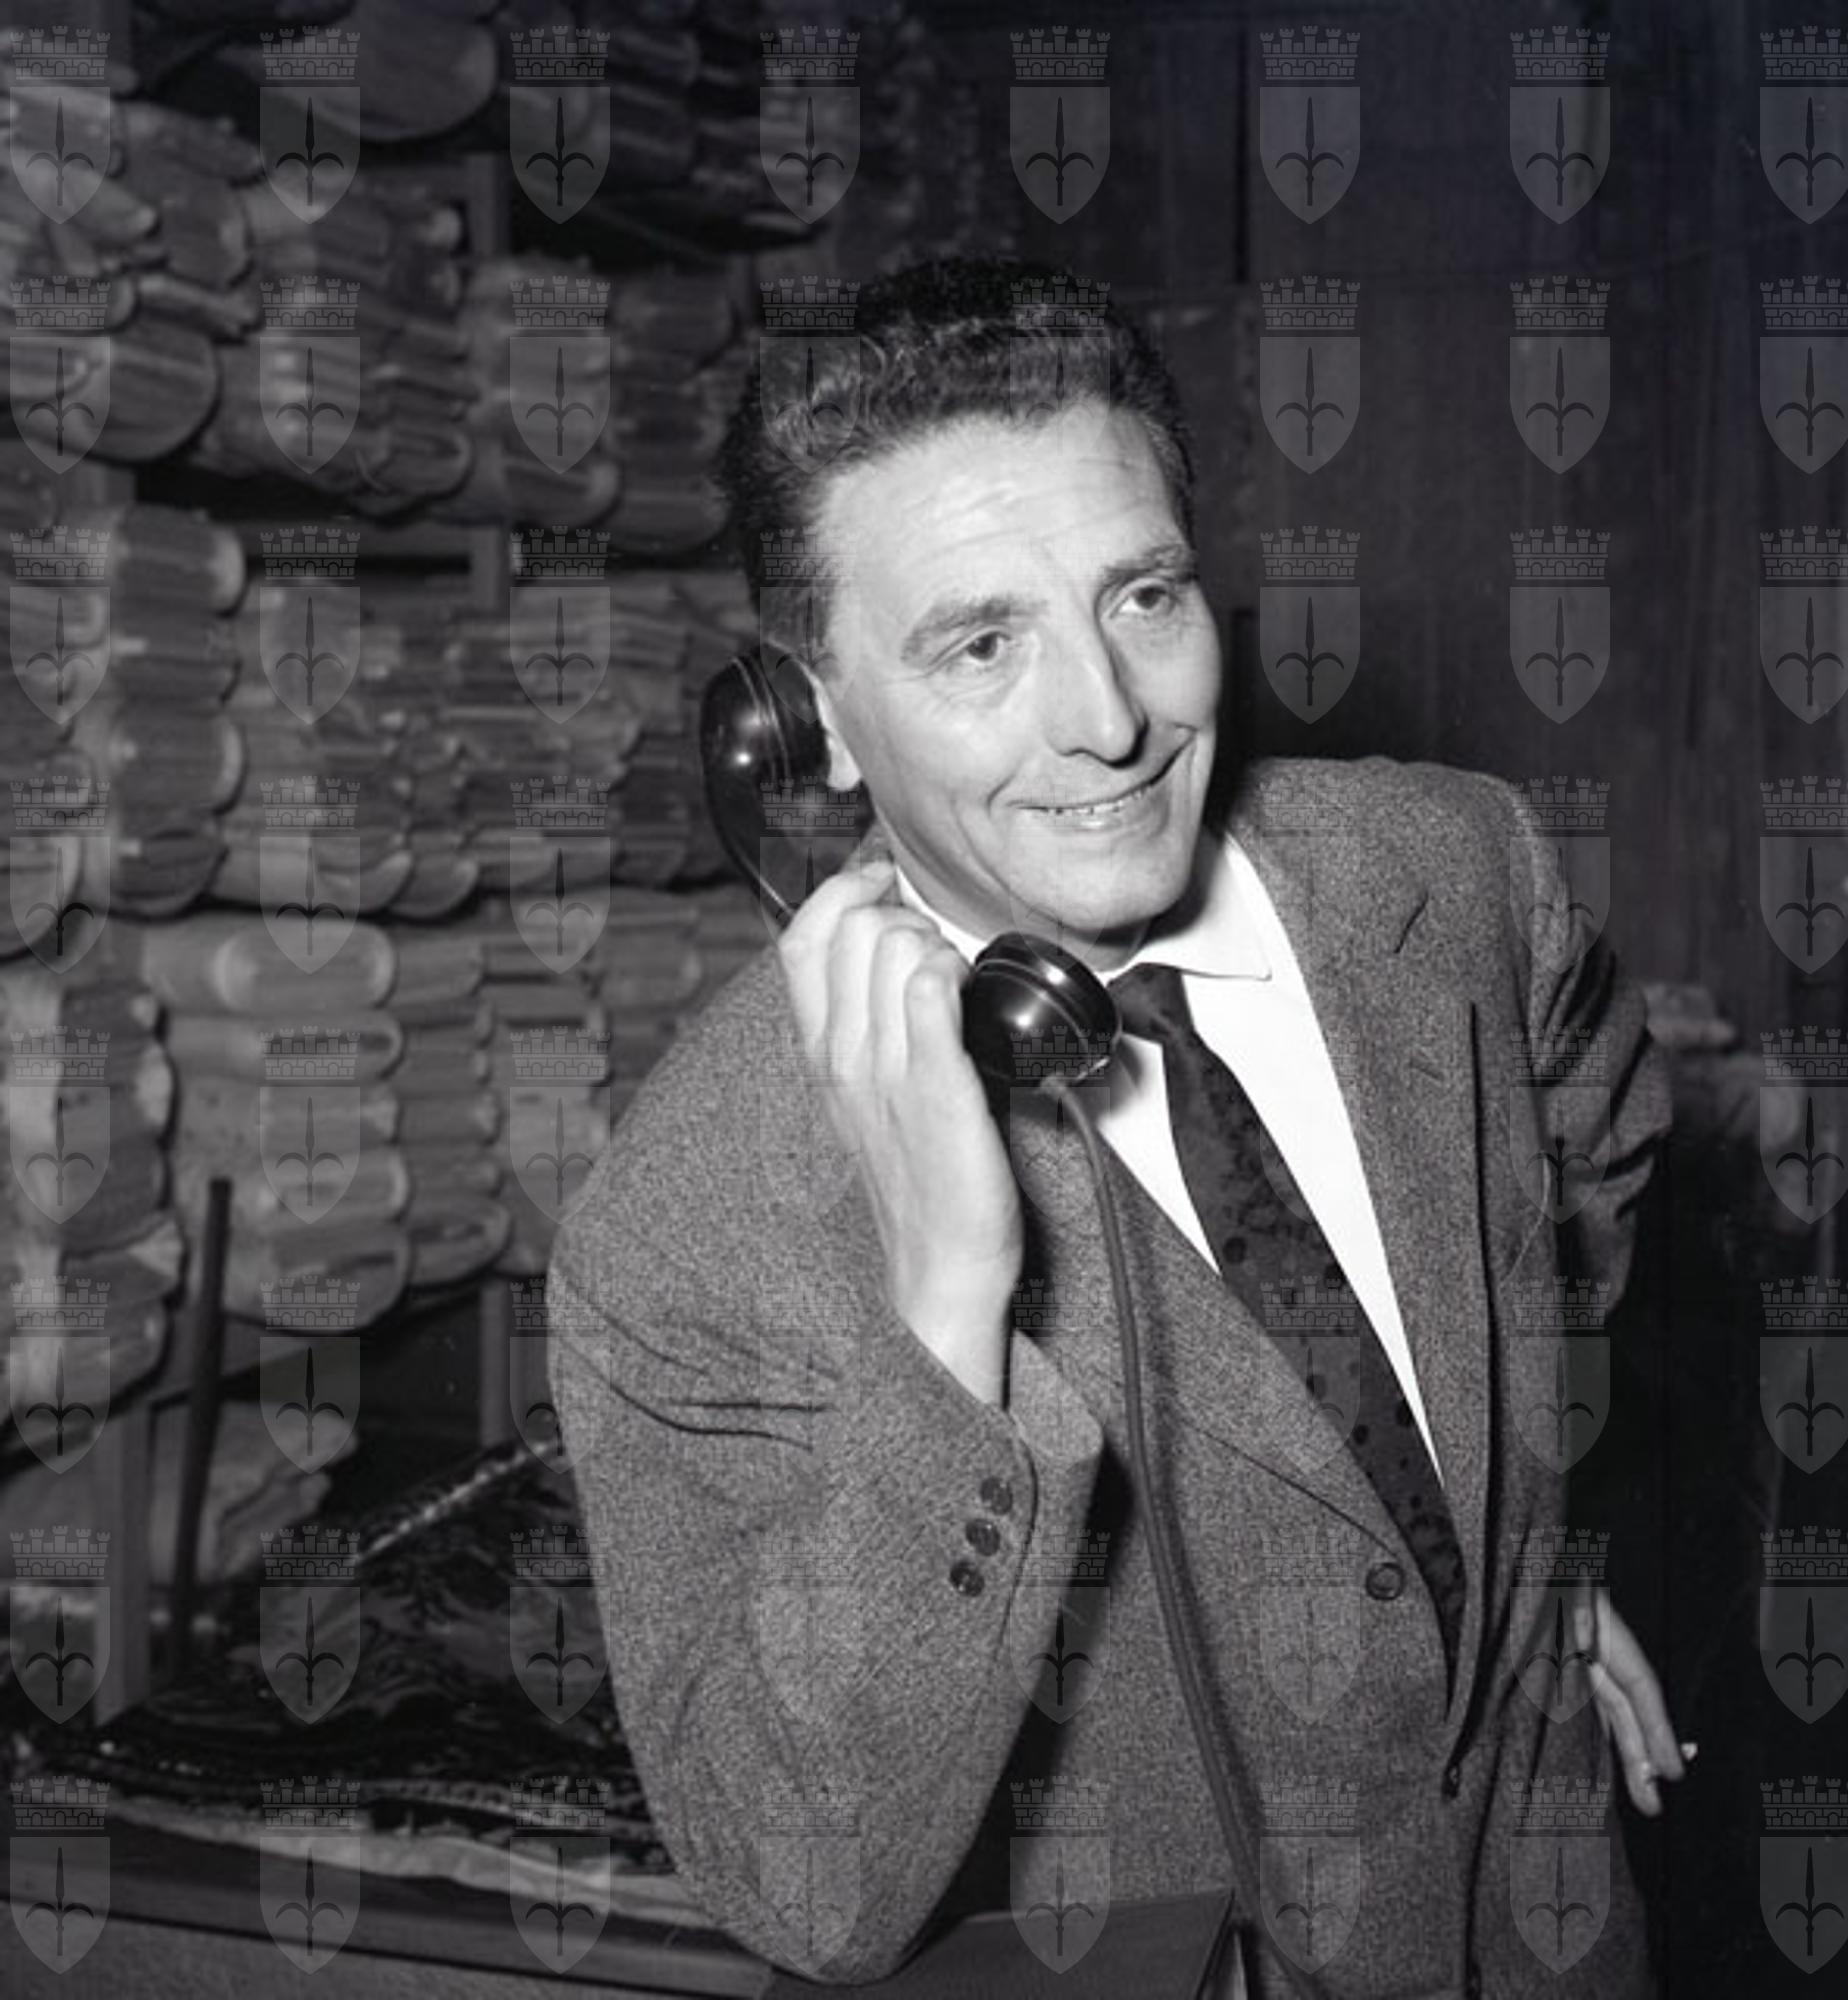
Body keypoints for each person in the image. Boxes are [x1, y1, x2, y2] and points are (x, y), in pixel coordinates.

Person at [547, 257, 1682, 1997]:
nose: (1107, 718)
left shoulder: (1453, 871)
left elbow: (1590, 1167)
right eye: (979, 643)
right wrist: (946, 1315)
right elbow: (802, 1882)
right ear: (808, 723)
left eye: (1141, 596)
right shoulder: (682, 1224)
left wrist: (1514, 1540)